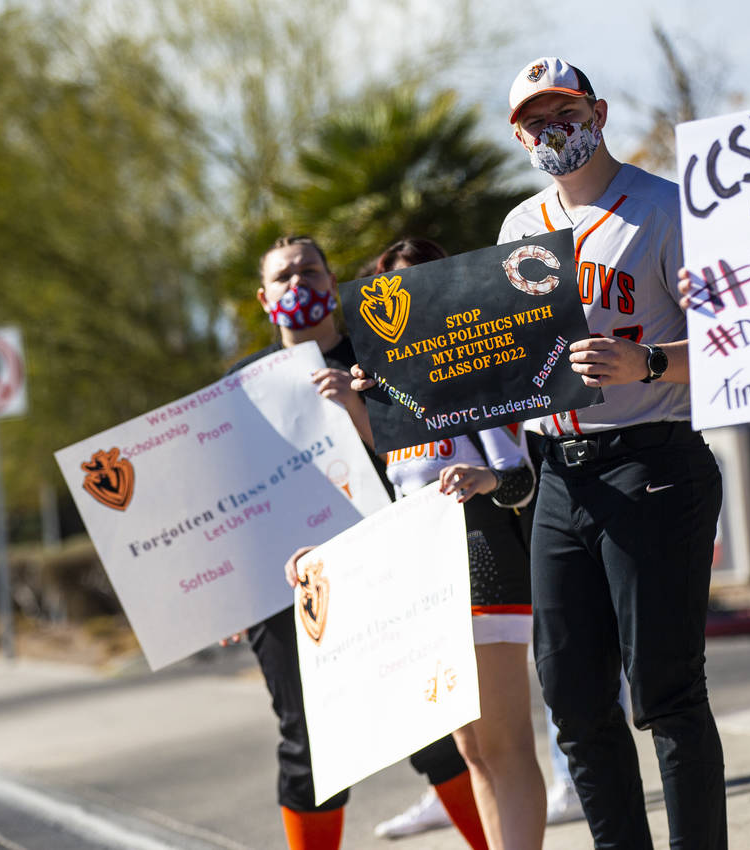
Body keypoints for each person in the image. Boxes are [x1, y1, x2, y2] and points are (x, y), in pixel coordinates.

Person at [497, 58, 726, 849]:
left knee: (665, 691)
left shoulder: (665, 208)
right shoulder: (518, 228)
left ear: (596, 110)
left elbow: (734, 345)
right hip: (556, 474)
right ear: (517, 135)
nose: (550, 128)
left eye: (564, 109)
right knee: (571, 697)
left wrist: (650, 362)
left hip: (650, 460)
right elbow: (498, 362)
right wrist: (400, 384)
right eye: (533, 118)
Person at [225, 234, 488, 850]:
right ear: (265, 299)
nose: (299, 285)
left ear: (331, 281)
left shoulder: (379, 363)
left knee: (431, 723)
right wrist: (225, 591)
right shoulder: (235, 389)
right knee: (306, 743)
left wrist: (359, 407)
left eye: (310, 271)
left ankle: (496, 843)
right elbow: (225, 501)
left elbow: (425, 455)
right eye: (284, 277)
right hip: (287, 588)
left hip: (385, 566)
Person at [353, 237, 547, 850]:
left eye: (422, 284)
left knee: (504, 741)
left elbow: (522, 478)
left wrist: (485, 478)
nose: (407, 300)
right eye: (393, 290)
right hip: (421, 582)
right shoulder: (388, 392)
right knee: (468, 748)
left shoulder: (469, 369)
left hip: (485, 565)